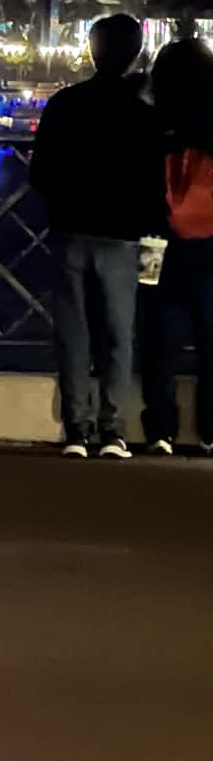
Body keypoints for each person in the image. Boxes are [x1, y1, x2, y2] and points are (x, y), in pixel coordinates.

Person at [30, 13, 165, 459]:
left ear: (91, 50)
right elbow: (153, 185)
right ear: (135, 55)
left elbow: (41, 173)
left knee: (74, 332)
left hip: (70, 229)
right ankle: (114, 430)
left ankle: (77, 430)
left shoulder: (64, 105)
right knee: (118, 334)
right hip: (124, 236)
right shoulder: (143, 117)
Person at [140, 38, 213, 455]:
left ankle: (160, 429)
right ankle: (209, 429)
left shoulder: (151, 120)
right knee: (211, 337)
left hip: (154, 239)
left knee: (157, 333)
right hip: (209, 238)